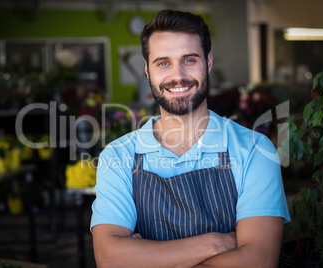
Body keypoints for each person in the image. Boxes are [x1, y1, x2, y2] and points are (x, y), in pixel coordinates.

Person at [91, 9, 290, 267]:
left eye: (189, 60)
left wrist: (143, 256)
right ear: (147, 71)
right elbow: (109, 258)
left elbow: (259, 261)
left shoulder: (254, 150)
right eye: (163, 62)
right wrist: (217, 243)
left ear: (207, 62)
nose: (178, 76)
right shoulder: (118, 156)